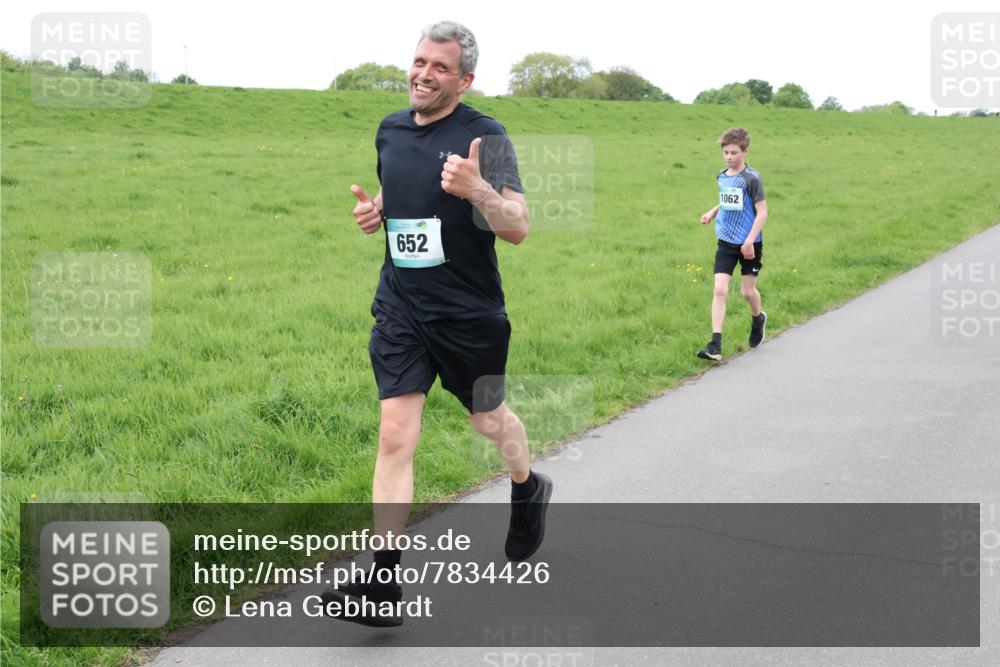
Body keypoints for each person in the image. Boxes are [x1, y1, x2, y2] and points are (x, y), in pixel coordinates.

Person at [321, 20, 553, 627]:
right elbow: (400, 190)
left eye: (440, 67)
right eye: (420, 60)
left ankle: (527, 485)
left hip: (467, 312)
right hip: (401, 303)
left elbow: (518, 226)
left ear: (465, 78)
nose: (423, 74)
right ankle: (382, 583)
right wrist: (377, 212)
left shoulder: (485, 135)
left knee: (487, 418)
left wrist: (478, 190)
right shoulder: (391, 128)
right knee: (395, 434)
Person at [697, 127, 769, 362]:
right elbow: (728, 201)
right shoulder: (721, 176)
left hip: (750, 244)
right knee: (720, 289)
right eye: (725, 152)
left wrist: (749, 241)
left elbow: (762, 212)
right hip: (726, 241)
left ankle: (758, 318)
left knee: (747, 291)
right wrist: (713, 211)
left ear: (745, 152)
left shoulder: (751, 179)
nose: (729, 156)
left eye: (734, 152)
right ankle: (715, 344)